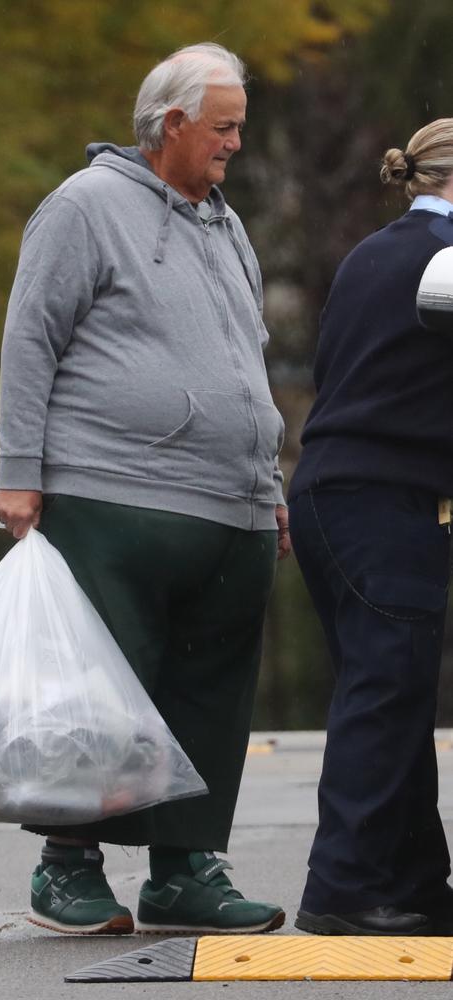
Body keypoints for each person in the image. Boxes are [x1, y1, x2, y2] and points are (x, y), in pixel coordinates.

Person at [0, 42, 290, 937]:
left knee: (211, 690)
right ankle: (66, 867)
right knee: (99, 691)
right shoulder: (85, 207)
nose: (237, 143)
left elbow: (250, 360)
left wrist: (266, 483)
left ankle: (185, 870)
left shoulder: (227, 225)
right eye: (224, 127)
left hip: (228, 503)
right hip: (110, 490)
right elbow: (30, 336)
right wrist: (18, 471)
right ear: (172, 125)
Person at [289, 119, 453, 936]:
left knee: (395, 688)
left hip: (335, 493)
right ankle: (344, 889)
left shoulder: (375, 252)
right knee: (385, 690)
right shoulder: (444, 262)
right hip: (381, 499)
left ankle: (418, 883)